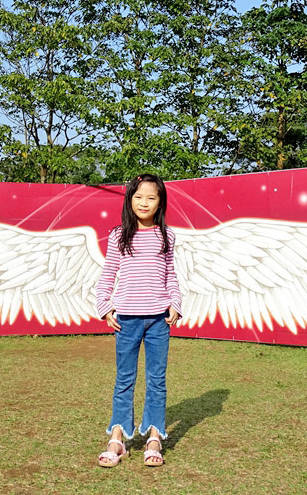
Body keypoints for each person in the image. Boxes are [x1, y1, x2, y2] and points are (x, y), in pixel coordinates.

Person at [95, 173, 182, 468]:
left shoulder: (167, 236)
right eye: (138, 196)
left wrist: (176, 304)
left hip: (159, 320)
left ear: (160, 203)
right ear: (130, 199)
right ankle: (118, 438)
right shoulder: (118, 235)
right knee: (124, 381)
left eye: (151, 197)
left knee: (157, 381)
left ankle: (154, 437)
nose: (144, 203)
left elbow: (171, 275)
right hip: (127, 321)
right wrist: (105, 306)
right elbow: (107, 276)